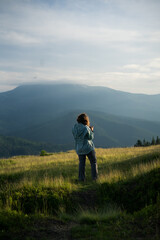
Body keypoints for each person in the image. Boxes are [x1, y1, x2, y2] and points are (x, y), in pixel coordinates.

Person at [72, 113, 98, 181]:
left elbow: (75, 136)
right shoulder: (86, 128)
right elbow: (91, 137)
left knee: (82, 164)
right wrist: (91, 130)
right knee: (93, 162)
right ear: (85, 120)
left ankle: (81, 178)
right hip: (88, 147)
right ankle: (94, 178)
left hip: (79, 148)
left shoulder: (74, 127)